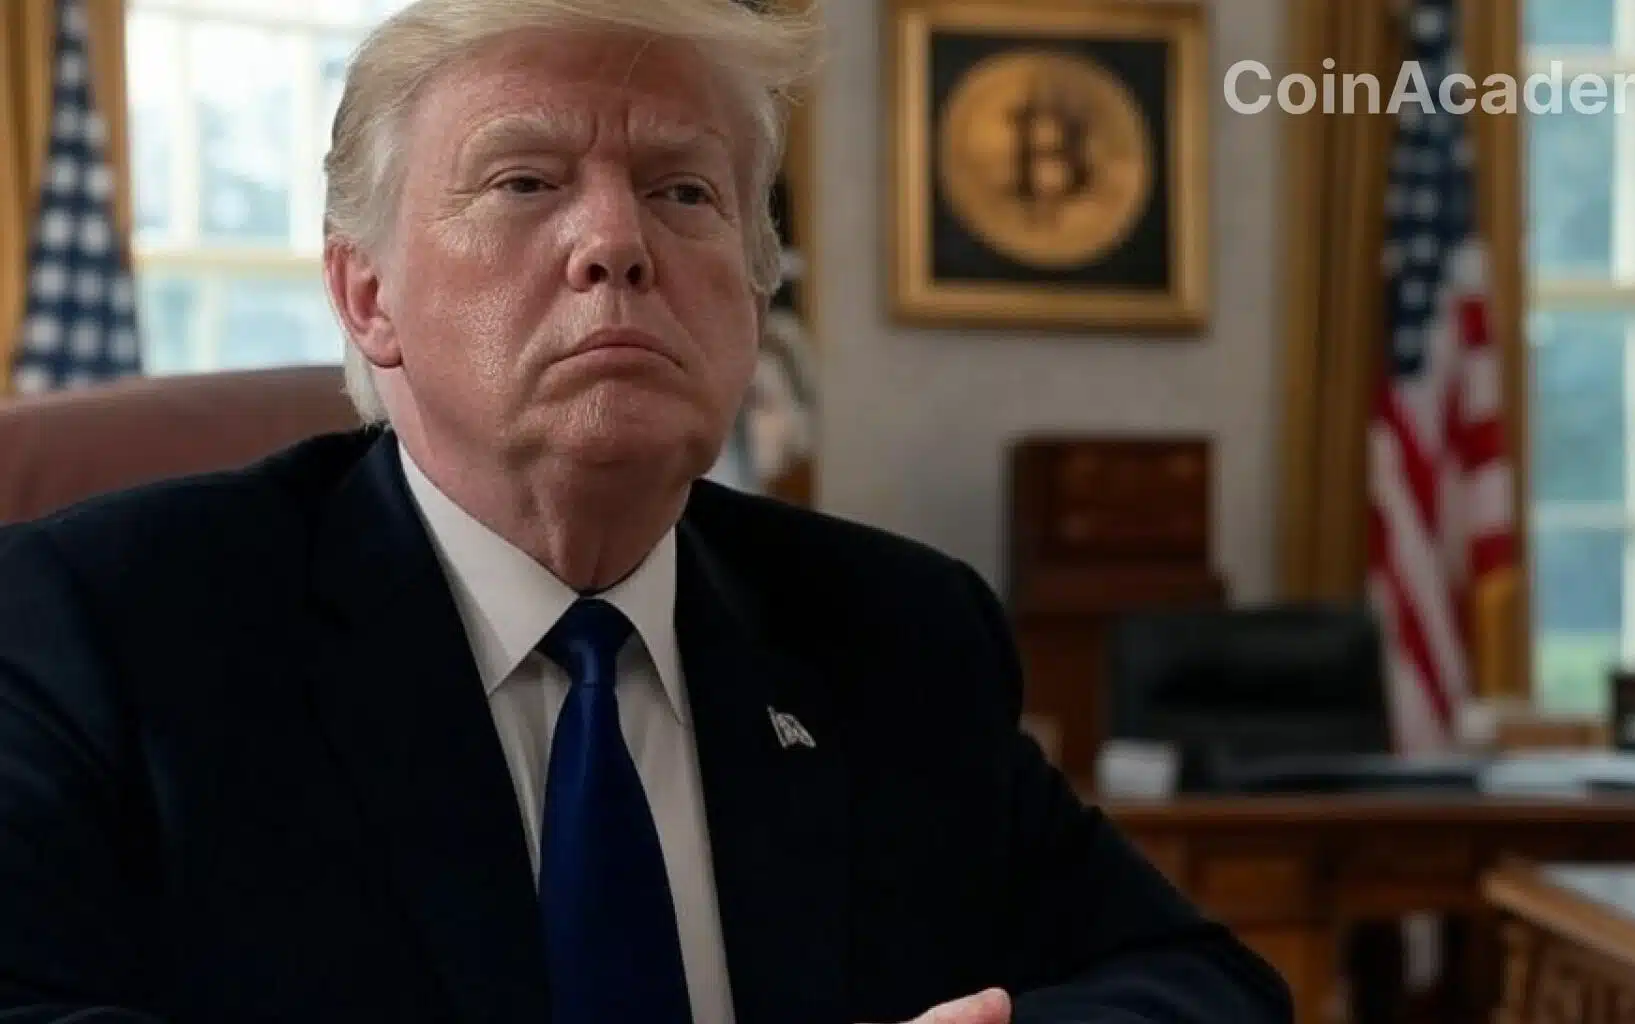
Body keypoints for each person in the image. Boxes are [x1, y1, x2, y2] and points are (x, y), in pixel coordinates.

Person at [0, 0, 1294, 1022]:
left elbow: (1203, 986)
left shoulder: (896, 631)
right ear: (367, 297)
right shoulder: (108, 626)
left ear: (752, 295)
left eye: (684, 193)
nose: (615, 243)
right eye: (524, 182)